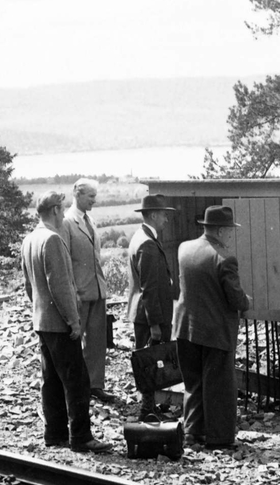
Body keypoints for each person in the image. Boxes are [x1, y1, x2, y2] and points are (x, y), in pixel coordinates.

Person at [21, 191, 112, 454]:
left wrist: (41, 312)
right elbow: (59, 286)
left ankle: (55, 433)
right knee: (78, 381)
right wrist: (74, 321)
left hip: (42, 322)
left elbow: (30, 286)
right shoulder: (52, 240)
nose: (63, 213)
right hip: (60, 324)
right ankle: (81, 437)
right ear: (53, 211)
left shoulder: (30, 240)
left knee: (51, 380)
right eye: (61, 209)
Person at [174, 205, 253, 451]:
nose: (230, 235)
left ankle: (192, 432)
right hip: (214, 332)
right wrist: (247, 302)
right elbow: (236, 299)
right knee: (219, 386)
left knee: (193, 383)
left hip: (185, 328)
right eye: (229, 230)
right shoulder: (224, 258)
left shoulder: (184, 249)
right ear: (219, 230)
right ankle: (219, 438)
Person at [60, 178, 114, 403]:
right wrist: (72, 292)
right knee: (74, 343)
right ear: (77, 194)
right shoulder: (66, 222)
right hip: (79, 293)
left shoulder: (89, 220)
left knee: (97, 342)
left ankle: (95, 385)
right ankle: (72, 388)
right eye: (90, 196)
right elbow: (64, 261)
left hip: (97, 290)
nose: (94, 200)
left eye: (95, 196)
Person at [126, 194, 177, 417]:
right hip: (148, 316)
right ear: (154, 215)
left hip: (144, 314)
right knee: (149, 362)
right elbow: (148, 288)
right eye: (164, 215)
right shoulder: (147, 243)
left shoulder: (142, 237)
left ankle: (150, 406)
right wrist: (155, 323)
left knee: (149, 361)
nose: (166, 219)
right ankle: (147, 409)